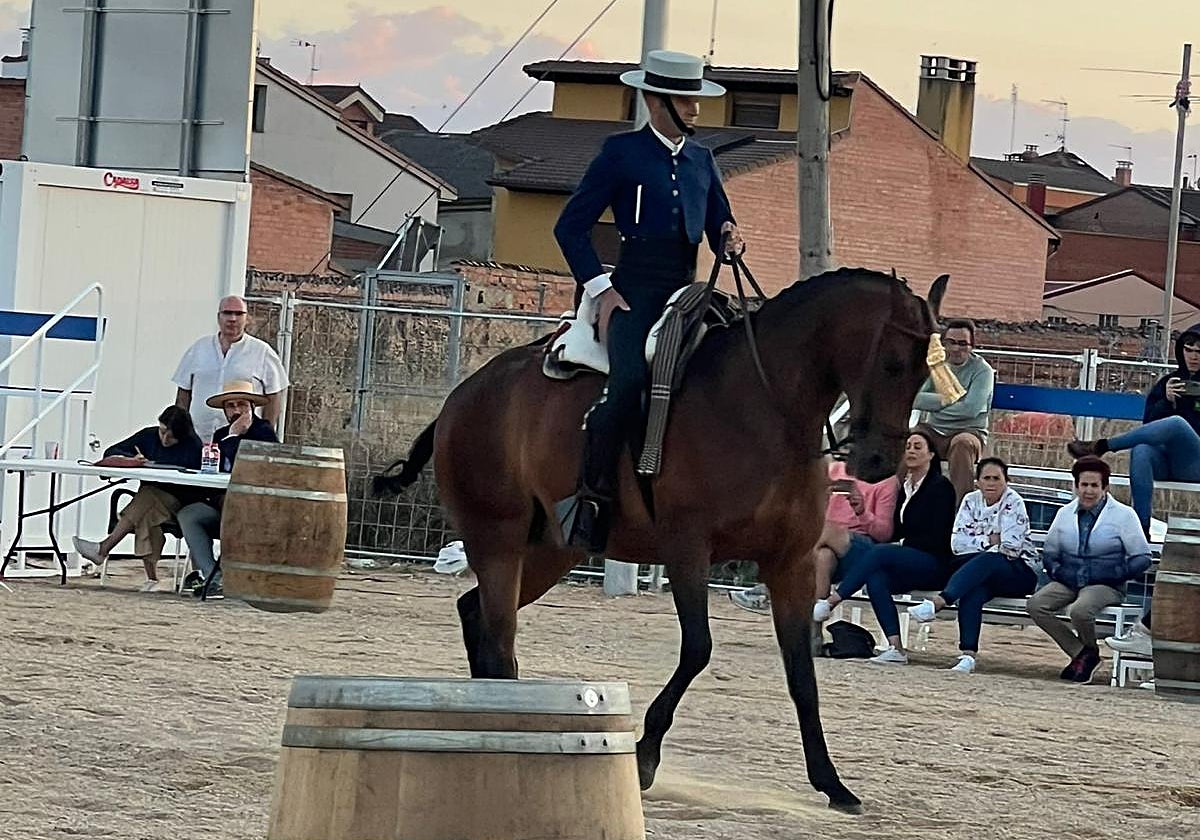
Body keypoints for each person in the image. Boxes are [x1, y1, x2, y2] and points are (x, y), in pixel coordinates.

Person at [552, 49, 744, 553]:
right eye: (687, 98)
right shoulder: (621, 153)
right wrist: (602, 289)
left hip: (688, 291)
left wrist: (728, 237)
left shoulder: (703, 159)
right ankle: (591, 500)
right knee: (629, 382)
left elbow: (718, 221)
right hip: (633, 292)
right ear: (658, 100)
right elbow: (569, 227)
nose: (697, 108)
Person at [813, 430, 958, 664]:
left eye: (918, 447)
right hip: (905, 555)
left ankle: (830, 601)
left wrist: (899, 544)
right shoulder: (906, 487)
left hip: (932, 560)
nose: (910, 450)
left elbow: (935, 534)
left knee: (879, 552)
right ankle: (896, 647)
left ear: (931, 455)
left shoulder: (940, 487)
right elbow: (897, 529)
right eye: (908, 446)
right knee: (876, 578)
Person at [906, 457, 1039, 674]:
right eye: (986, 478)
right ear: (977, 481)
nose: (991, 483)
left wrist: (979, 542)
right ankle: (968, 655)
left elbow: (1011, 548)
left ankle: (938, 603)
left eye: (997, 478)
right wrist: (989, 541)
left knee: (991, 559)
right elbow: (957, 544)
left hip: (1018, 571)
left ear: (1007, 481)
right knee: (973, 591)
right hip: (980, 572)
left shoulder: (1014, 502)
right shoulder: (970, 501)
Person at [1026, 456, 1151, 683]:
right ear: (1075, 486)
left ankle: (1085, 656)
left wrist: (1114, 574)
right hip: (1069, 580)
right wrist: (1060, 573)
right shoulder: (1064, 514)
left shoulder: (1124, 515)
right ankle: (1083, 654)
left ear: (1105, 487)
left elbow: (1142, 557)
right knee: (1036, 604)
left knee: (1080, 610)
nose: (1089, 491)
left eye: (1094, 485)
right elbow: (1050, 553)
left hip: (1105, 584)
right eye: (1084, 485)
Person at [1068, 329, 1200, 535]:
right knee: (1141, 449)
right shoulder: (1169, 382)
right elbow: (1149, 426)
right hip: (1166, 461)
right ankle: (1141, 529)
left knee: (1177, 424)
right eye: (1188, 350)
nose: (1193, 356)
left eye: (1199, 352)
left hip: (1195, 462)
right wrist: (1167, 401)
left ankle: (1102, 446)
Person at [729, 458, 897, 614]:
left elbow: (883, 533)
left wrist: (862, 512)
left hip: (862, 546)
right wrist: (821, 497)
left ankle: (768, 589)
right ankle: (813, 631)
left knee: (818, 531)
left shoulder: (885, 481)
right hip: (827, 543)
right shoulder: (836, 469)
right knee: (823, 557)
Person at [72, 406, 203, 592]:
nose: (165, 439)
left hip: (179, 502)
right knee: (147, 511)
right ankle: (152, 579)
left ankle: (104, 549)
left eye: (171, 437)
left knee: (147, 498)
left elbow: (196, 484)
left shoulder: (193, 446)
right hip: (150, 502)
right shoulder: (148, 435)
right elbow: (111, 451)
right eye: (163, 431)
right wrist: (132, 458)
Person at [177, 380, 279, 600]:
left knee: (233, 507)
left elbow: (247, 466)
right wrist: (230, 436)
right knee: (189, 514)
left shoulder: (263, 432)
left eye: (241, 404)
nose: (235, 410)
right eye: (230, 406)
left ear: (251, 406)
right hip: (223, 502)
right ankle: (212, 577)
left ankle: (237, 576)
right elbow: (214, 463)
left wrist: (233, 437)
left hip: (252, 508)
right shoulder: (222, 433)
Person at [173, 295, 289, 441]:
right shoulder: (198, 349)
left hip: (242, 441)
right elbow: (183, 394)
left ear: (247, 318)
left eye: (239, 314)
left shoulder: (262, 351)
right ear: (218, 317)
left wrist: (265, 433)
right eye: (227, 313)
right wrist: (180, 431)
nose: (233, 318)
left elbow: (275, 394)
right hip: (197, 439)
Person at [912, 319, 995, 504]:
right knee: (913, 440)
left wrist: (934, 404)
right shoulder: (936, 367)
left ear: (972, 346)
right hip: (934, 430)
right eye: (950, 342)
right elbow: (915, 398)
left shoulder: (983, 371)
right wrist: (947, 399)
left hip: (969, 432)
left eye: (962, 343)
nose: (956, 349)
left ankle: (961, 510)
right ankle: (904, 501)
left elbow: (970, 409)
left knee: (962, 444)